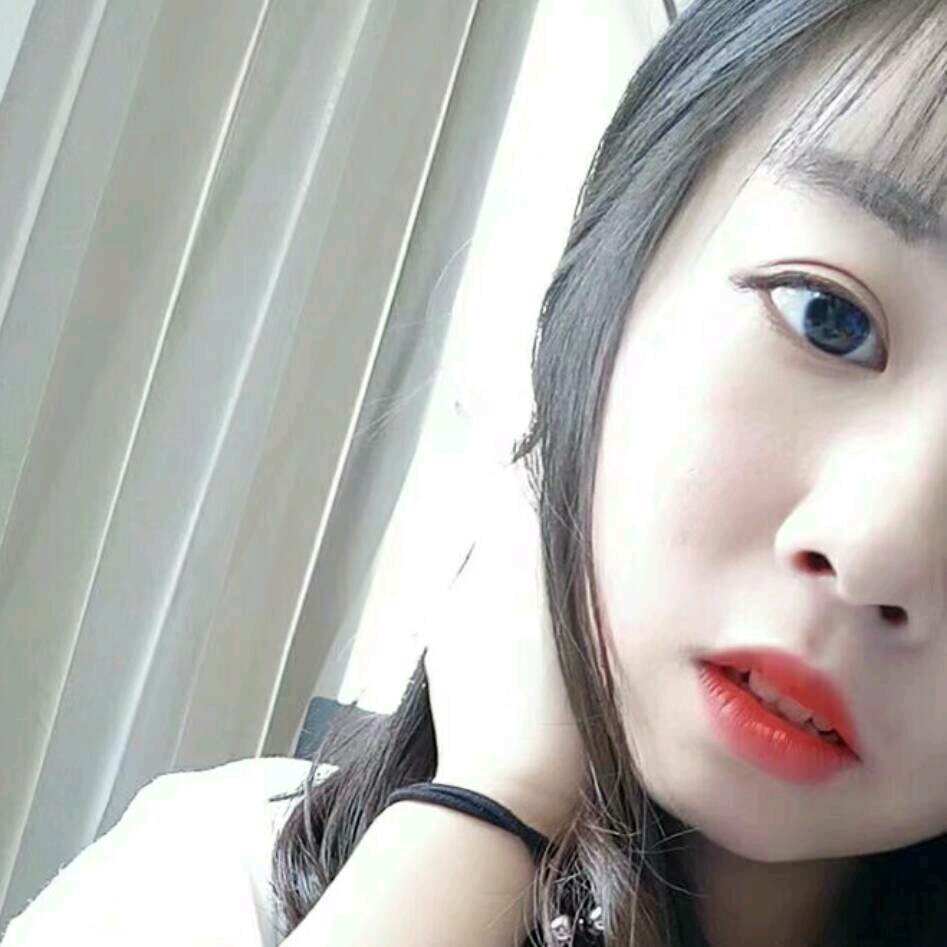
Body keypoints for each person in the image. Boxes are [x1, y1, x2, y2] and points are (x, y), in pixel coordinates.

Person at [6, 0, 947, 944]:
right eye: (828, 317)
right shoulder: (210, 884)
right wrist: (483, 810)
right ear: (608, 280)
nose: (872, 550)